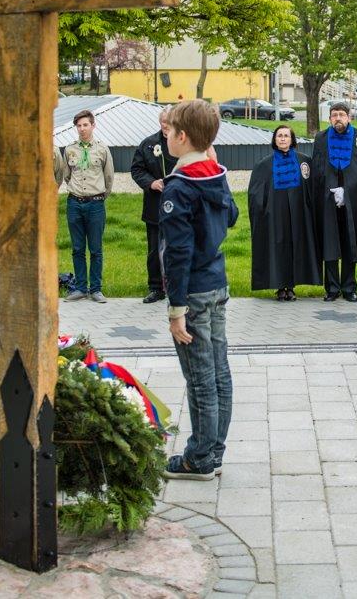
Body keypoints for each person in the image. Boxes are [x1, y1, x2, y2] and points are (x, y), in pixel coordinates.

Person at [159, 99, 239, 480]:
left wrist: (175, 311)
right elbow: (233, 215)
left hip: (191, 293)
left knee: (200, 378)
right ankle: (215, 449)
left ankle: (199, 457)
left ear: (182, 137)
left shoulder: (179, 187)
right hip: (217, 284)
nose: (166, 134)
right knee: (219, 371)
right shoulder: (214, 174)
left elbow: (177, 253)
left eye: (170, 130)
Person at [248, 125, 320, 301]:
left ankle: (292, 286)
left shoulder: (304, 162)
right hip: (275, 214)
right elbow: (255, 193)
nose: (282, 139)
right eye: (279, 136)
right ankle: (280, 287)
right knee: (278, 247)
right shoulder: (264, 165)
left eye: (286, 136)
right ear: (274, 140)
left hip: (298, 213)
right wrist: (262, 211)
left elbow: (313, 188)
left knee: (296, 247)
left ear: (292, 140)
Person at [311, 101, 357, 302]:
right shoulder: (320, 138)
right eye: (334, 115)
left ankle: (348, 287)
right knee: (329, 241)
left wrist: (348, 190)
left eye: (341, 115)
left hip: (352, 199)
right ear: (329, 118)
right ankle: (331, 288)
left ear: (349, 117)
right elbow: (317, 169)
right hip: (327, 199)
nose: (338, 118)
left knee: (349, 242)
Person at [55, 110, 115, 303]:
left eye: (85, 125)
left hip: (95, 204)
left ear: (93, 125)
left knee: (96, 249)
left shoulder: (102, 149)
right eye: (79, 126)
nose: (82, 129)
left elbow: (109, 177)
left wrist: (99, 196)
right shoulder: (70, 150)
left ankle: (96, 289)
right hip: (75, 203)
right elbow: (66, 174)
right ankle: (80, 288)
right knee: (77, 248)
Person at [131, 115, 173, 303]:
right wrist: (151, 183)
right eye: (164, 122)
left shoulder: (185, 142)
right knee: (155, 249)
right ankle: (156, 288)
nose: (166, 126)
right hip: (155, 205)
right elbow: (137, 169)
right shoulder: (148, 144)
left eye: (170, 122)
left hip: (180, 207)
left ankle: (179, 286)